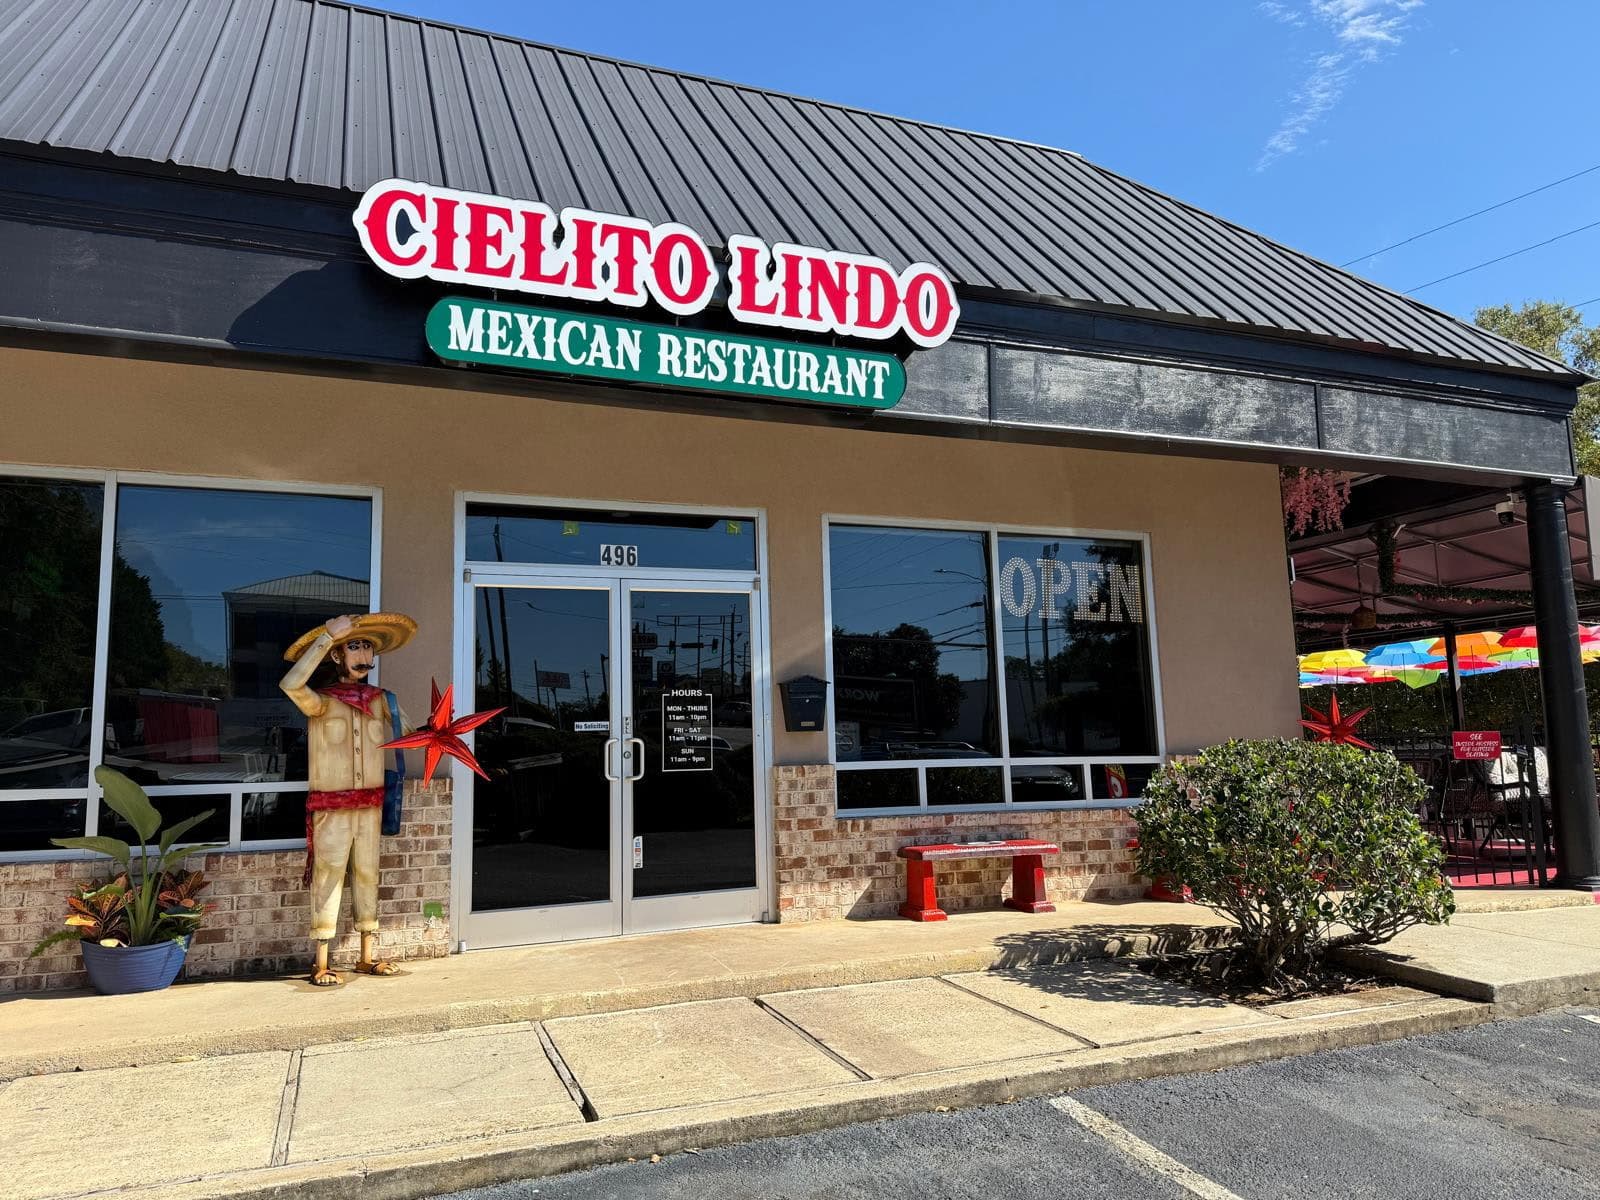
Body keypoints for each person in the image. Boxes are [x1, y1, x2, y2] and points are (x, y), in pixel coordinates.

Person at [280, 612, 418, 987]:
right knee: (328, 877)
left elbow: (413, 733)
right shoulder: (321, 701)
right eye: (354, 645)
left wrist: (445, 732)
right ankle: (321, 960)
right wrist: (326, 636)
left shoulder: (383, 700)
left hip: (371, 806)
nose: (362, 653)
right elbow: (291, 683)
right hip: (331, 807)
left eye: (367, 646)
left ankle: (366, 955)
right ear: (338, 656)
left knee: (368, 875)